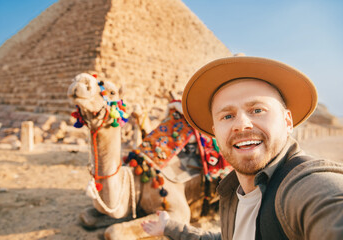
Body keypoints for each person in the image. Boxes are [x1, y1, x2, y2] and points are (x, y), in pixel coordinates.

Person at [141, 56, 343, 240]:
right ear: (215, 131)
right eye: (227, 116)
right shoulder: (233, 196)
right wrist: (169, 227)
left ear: (287, 121)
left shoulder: (309, 187)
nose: (241, 124)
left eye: (257, 110)